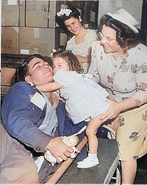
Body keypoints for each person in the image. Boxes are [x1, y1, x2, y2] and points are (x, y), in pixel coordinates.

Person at [1, 54, 87, 183]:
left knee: (27, 175)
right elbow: (15, 119)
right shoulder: (23, 89)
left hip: (24, 152)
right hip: (7, 137)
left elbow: (74, 132)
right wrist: (49, 142)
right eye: (38, 66)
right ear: (29, 79)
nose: (46, 65)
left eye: (46, 63)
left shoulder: (61, 104)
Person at [88, 8, 147, 184]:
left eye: (109, 39)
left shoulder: (142, 55)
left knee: (126, 148)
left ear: (124, 41)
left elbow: (145, 91)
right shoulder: (96, 49)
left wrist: (119, 108)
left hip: (135, 105)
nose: (102, 41)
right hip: (108, 100)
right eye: (102, 35)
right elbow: (93, 77)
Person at [36, 50, 110, 168]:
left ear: (69, 66)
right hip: (96, 106)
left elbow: (51, 86)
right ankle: (91, 155)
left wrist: (35, 87)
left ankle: (93, 157)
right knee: (91, 131)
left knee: (90, 132)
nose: (55, 69)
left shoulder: (64, 75)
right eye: (54, 66)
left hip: (96, 108)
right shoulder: (72, 77)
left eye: (60, 65)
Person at [56, 7, 99, 74]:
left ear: (79, 18)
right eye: (68, 26)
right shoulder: (70, 44)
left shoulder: (95, 35)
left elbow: (106, 59)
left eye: (73, 23)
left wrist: (84, 59)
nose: (72, 28)